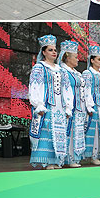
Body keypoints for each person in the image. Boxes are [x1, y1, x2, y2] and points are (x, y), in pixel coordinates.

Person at [28, 35, 70, 169]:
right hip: (46, 105)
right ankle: (46, 161)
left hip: (60, 106)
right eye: (51, 50)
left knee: (59, 132)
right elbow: (35, 86)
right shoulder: (39, 67)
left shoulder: (61, 70)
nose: (54, 52)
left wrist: (68, 106)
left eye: (55, 50)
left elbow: (67, 89)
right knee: (46, 131)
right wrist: (38, 104)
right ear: (44, 52)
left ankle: (56, 160)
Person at [58, 40, 87, 168]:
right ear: (67, 58)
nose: (77, 60)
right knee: (67, 131)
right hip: (68, 106)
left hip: (78, 107)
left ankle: (74, 158)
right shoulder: (62, 71)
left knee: (76, 132)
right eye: (75, 57)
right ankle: (64, 158)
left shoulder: (77, 73)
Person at [82, 45, 100, 165]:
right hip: (93, 105)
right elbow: (86, 90)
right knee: (93, 130)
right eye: (98, 59)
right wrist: (89, 105)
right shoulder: (87, 73)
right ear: (92, 60)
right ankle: (93, 155)